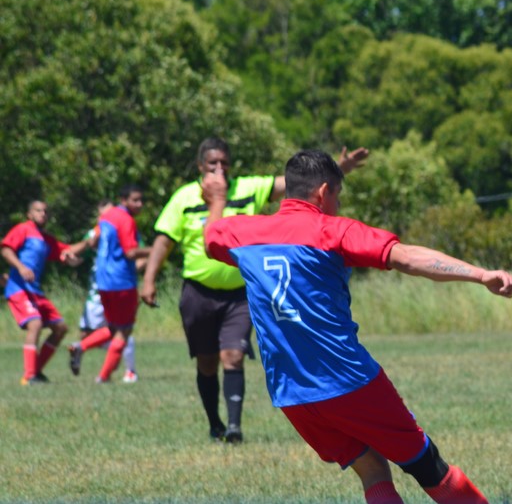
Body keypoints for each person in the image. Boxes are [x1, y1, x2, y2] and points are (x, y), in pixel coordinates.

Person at [202, 149, 512, 504]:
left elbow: (210, 235)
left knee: (370, 469)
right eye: (338, 196)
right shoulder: (332, 230)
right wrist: (480, 274)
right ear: (324, 192)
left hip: (292, 393)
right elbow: (407, 258)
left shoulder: (241, 231)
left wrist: (217, 199)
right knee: (425, 464)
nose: (338, 204)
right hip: (348, 381)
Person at [141, 138, 368, 443]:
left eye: (224, 162)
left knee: (233, 355)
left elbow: (300, 182)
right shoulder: (183, 198)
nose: (219, 168)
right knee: (206, 362)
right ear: (200, 166)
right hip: (198, 292)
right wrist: (149, 280)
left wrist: (341, 168)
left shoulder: (248, 188)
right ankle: (215, 424)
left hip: (240, 292)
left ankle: (234, 429)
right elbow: (164, 241)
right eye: (212, 163)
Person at [67, 185, 151, 382]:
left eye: (141, 200)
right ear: (123, 200)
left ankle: (81, 346)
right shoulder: (126, 219)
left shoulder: (106, 217)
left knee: (113, 327)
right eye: (135, 200)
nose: (139, 204)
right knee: (124, 330)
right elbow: (130, 252)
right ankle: (104, 377)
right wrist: (157, 249)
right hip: (122, 281)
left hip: (103, 281)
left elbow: (91, 241)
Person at [2, 200, 81, 384]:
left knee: (60, 328)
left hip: (35, 291)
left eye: (45, 211)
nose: (43, 214)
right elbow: (6, 250)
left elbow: (66, 251)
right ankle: (29, 376)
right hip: (19, 289)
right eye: (38, 211)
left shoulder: (45, 239)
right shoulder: (23, 229)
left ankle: (36, 371)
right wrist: (21, 267)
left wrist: (89, 243)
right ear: (29, 214)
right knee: (35, 324)